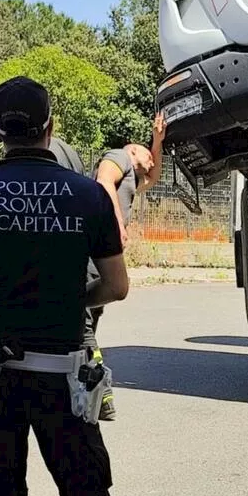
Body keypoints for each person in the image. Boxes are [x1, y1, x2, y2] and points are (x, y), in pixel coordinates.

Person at [0, 76, 129, 496]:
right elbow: (116, 285)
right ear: (50, 126)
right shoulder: (89, 196)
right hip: (64, 377)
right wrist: (72, 296)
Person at [82, 111, 165, 421]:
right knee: (83, 324)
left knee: (88, 321)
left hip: (102, 254)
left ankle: (90, 392)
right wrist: (116, 223)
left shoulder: (134, 174)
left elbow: (154, 177)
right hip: (91, 250)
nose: (152, 160)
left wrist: (157, 140)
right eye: (146, 152)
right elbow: (104, 179)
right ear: (132, 150)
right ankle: (100, 392)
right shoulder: (119, 157)